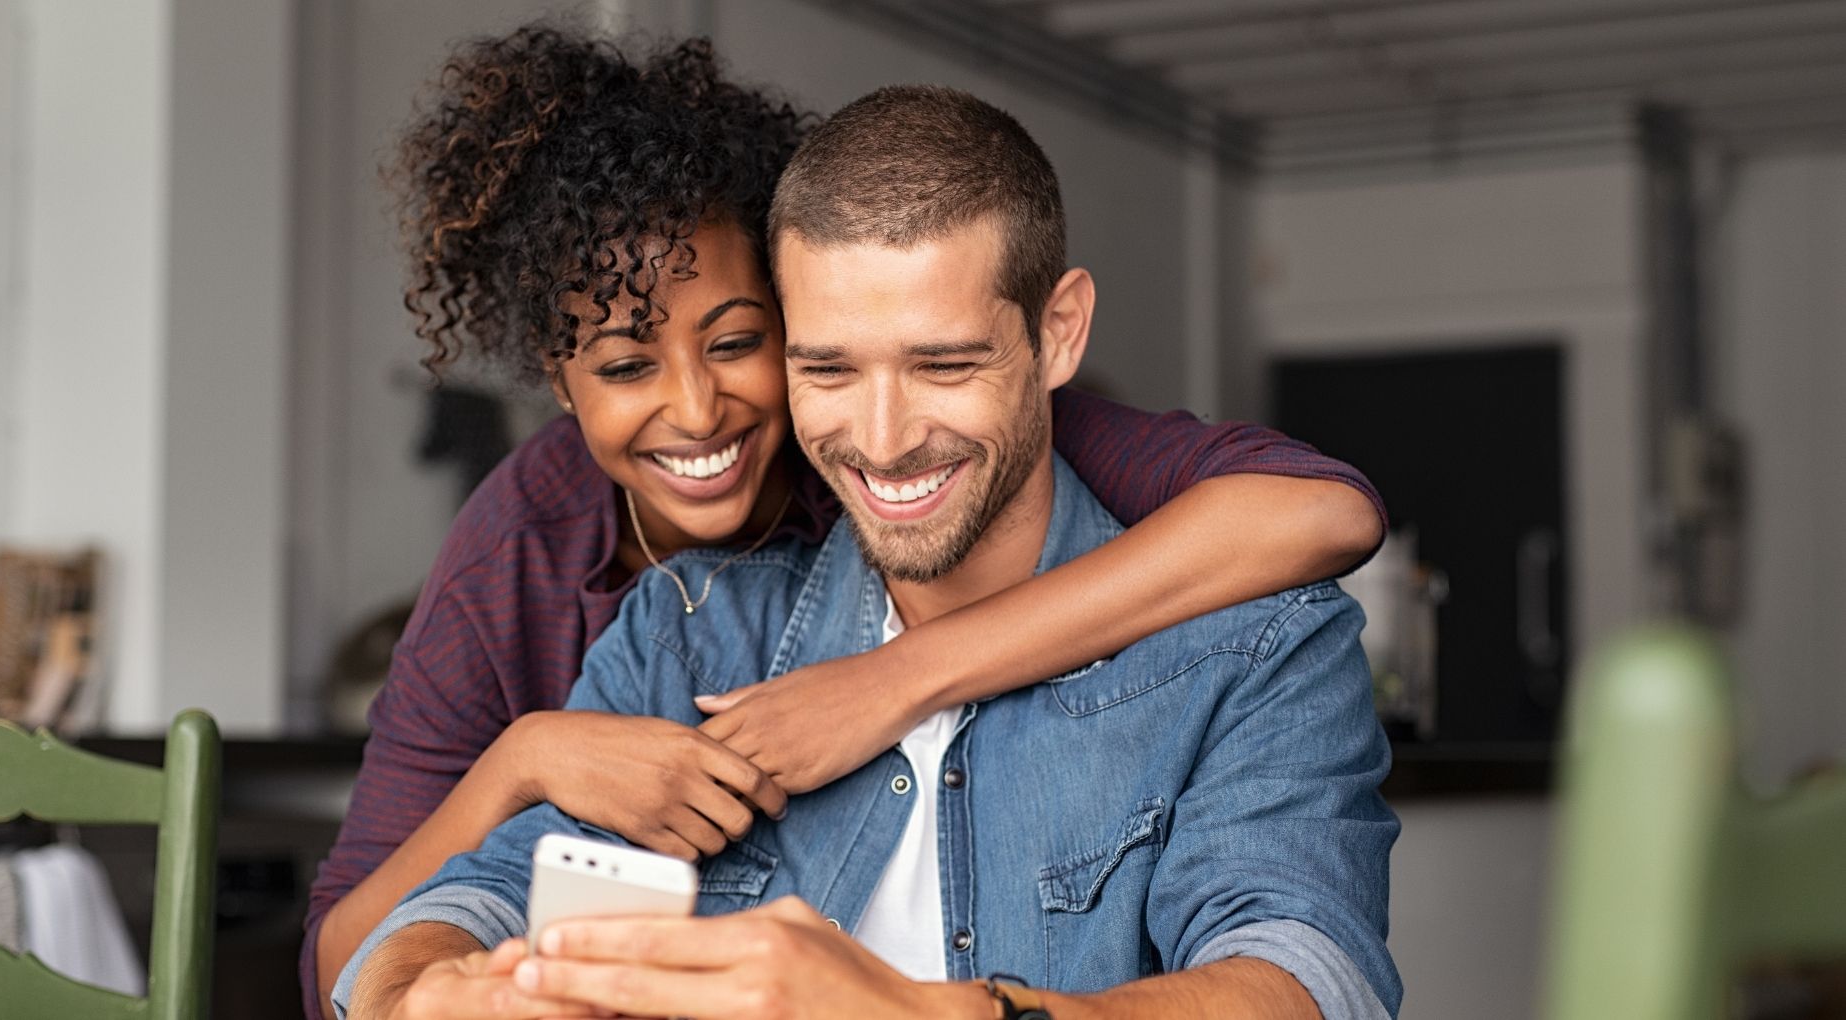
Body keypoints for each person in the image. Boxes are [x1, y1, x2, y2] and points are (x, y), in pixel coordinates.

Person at [306, 26, 1390, 1019]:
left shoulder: (1253, 643)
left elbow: (1305, 981)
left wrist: (924, 1009)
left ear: (1057, 337)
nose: (883, 435)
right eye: (828, 367)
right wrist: (433, 998)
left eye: (944, 364)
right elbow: (425, 924)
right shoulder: (679, 629)